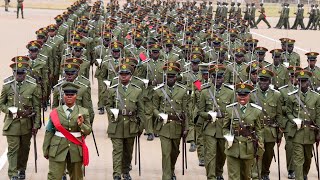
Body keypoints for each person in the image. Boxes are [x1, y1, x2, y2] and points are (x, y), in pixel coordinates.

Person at [43, 82, 92, 180]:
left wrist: (81, 124)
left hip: (76, 149)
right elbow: (49, 131)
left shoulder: (83, 111)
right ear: (63, 96)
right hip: (57, 148)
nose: (69, 97)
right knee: (54, 176)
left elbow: (88, 131)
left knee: (77, 177)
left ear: (76, 96)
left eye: (72, 95)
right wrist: (45, 149)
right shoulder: (55, 112)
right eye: (67, 95)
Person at [0, 62, 41, 180]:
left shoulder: (32, 86)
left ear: (25, 73)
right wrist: (9, 110)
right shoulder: (7, 86)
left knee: (24, 149)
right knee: (13, 149)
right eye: (17, 73)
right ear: (13, 73)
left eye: (22, 73)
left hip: (26, 124)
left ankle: (21, 169)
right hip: (12, 123)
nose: (19, 76)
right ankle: (13, 174)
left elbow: (37, 106)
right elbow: (1, 104)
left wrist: (37, 124)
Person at [105, 64, 144, 180]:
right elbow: (107, 105)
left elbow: (141, 110)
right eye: (121, 74)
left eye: (126, 74)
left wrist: (141, 127)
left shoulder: (137, 91)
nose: (123, 77)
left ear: (130, 76)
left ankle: (125, 171)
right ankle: (116, 173)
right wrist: (112, 113)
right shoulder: (113, 90)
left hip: (131, 125)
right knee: (117, 150)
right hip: (117, 124)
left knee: (128, 151)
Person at [153, 64, 189, 180]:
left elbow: (186, 111)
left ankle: (171, 169)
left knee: (175, 152)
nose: (170, 79)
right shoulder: (159, 91)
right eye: (168, 76)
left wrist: (186, 128)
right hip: (164, 126)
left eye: (172, 76)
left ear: (176, 77)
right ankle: (166, 176)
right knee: (166, 153)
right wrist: (159, 115)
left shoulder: (183, 91)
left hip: (177, 126)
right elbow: (153, 108)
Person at [199, 65, 234, 180]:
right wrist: (209, 115)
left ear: (223, 78)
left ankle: (219, 172)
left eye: (220, 77)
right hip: (210, 127)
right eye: (215, 77)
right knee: (210, 154)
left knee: (222, 154)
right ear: (211, 78)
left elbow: (233, 111)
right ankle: (211, 176)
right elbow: (200, 111)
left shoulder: (230, 92)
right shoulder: (205, 92)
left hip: (223, 127)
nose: (217, 79)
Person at [223, 83, 263, 180]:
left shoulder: (256, 111)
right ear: (236, 95)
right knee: (233, 177)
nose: (242, 98)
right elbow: (225, 128)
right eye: (240, 95)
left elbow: (259, 130)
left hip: (248, 148)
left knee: (246, 176)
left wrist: (260, 145)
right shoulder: (230, 110)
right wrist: (228, 136)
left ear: (249, 96)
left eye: (244, 95)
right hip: (233, 147)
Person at [286, 70, 320, 180]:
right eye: (300, 81)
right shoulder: (292, 97)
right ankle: (299, 177)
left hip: (310, 132)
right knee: (298, 159)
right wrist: (294, 120)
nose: (302, 83)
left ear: (309, 82)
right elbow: (288, 112)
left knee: (307, 158)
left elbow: (319, 115)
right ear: (297, 82)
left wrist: (318, 131)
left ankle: (304, 174)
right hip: (297, 132)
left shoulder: (316, 97)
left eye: (304, 81)